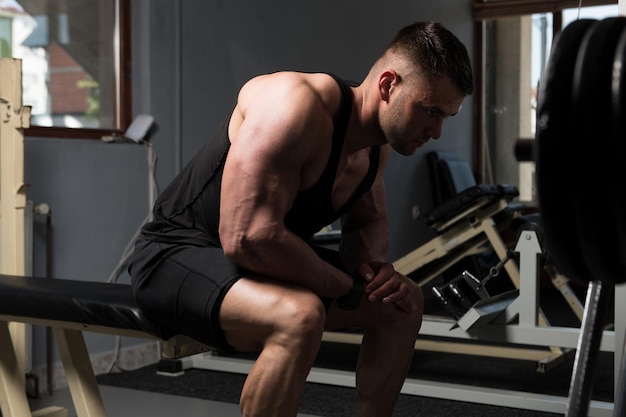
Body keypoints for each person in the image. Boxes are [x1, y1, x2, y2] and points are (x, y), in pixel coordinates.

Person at [129, 20, 473, 417]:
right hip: (174, 255)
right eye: (430, 111)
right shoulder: (295, 105)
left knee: (403, 303)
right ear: (387, 85)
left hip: (249, 264)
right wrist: (344, 286)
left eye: (446, 116)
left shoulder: (375, 148)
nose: (436, 131)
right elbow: (247, 237)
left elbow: (368, 223)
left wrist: (374, 279)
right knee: (299, 316)